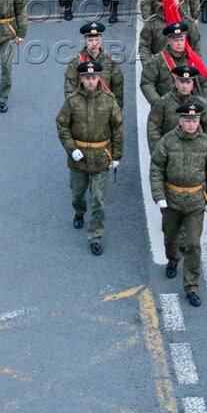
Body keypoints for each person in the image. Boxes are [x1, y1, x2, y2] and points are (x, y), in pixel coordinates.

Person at [151, 102, 207, 306]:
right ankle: (172, 259)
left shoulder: (206, 143)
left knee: (193, 244)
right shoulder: (168, 141)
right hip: (172, 200)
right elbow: (156, 168)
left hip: (195, 202)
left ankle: (191, 286)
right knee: (170, 237)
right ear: (180, 121)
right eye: (188, 120)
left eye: (195, 120)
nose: (191, 124)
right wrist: (159, 195)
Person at [57, 60, 124, 256]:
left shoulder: (109, 100)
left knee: (98, 200)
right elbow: (62, 125)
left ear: (99, 78)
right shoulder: (72, 101)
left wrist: (117, 155)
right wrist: (71, 148)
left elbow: (117, 129)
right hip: (79, 158)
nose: (91, 81)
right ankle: (79, 212)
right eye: (87, 78)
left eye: (94, 77)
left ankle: (96, 235)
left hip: (101, 157)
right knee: (78, 193)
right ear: (81, 79)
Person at [64, 21, 125, 106]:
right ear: (85, 41)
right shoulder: (76, 62)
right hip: (82, 108)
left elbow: (118, 88)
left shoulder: (111, 61)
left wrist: (116, 110)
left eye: (97, 40)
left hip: (105, 108)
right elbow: (70, 90)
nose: (94, 44)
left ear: (101, 40)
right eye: (90, 40)